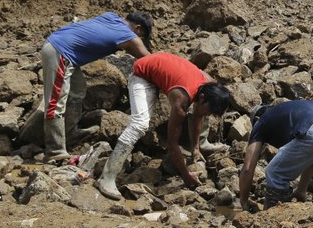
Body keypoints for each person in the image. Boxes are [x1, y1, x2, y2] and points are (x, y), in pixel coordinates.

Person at [96, 52, 230, 200]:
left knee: (201, 114)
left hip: (162, 64)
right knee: (139, 124)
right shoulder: (181, 100)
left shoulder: (208, 83)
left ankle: (202, 144)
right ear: (202, 97)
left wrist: (196, 148)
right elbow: (172, 143)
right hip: (142, 73)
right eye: (209, 110)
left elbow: (199, 115)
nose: (209, 115)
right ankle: (107, 177)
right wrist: (186, 175)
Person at [34, 12, 153, 161]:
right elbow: (150, 60)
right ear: (138, 28)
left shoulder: (111, 17)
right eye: (141, 36)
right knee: (55, 102)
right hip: (61, 52)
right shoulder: (128, 34)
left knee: (77, 91)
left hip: (61, 46)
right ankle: (55, 152)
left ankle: (69, 132)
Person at [238, 101, 313, 210]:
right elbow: (310, 157)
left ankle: (275, 214)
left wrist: (244, 202)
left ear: (257, 119)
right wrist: (301, 190)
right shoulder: (286, 114)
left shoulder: (261, 121)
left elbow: (247, 168)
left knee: (274, 173)